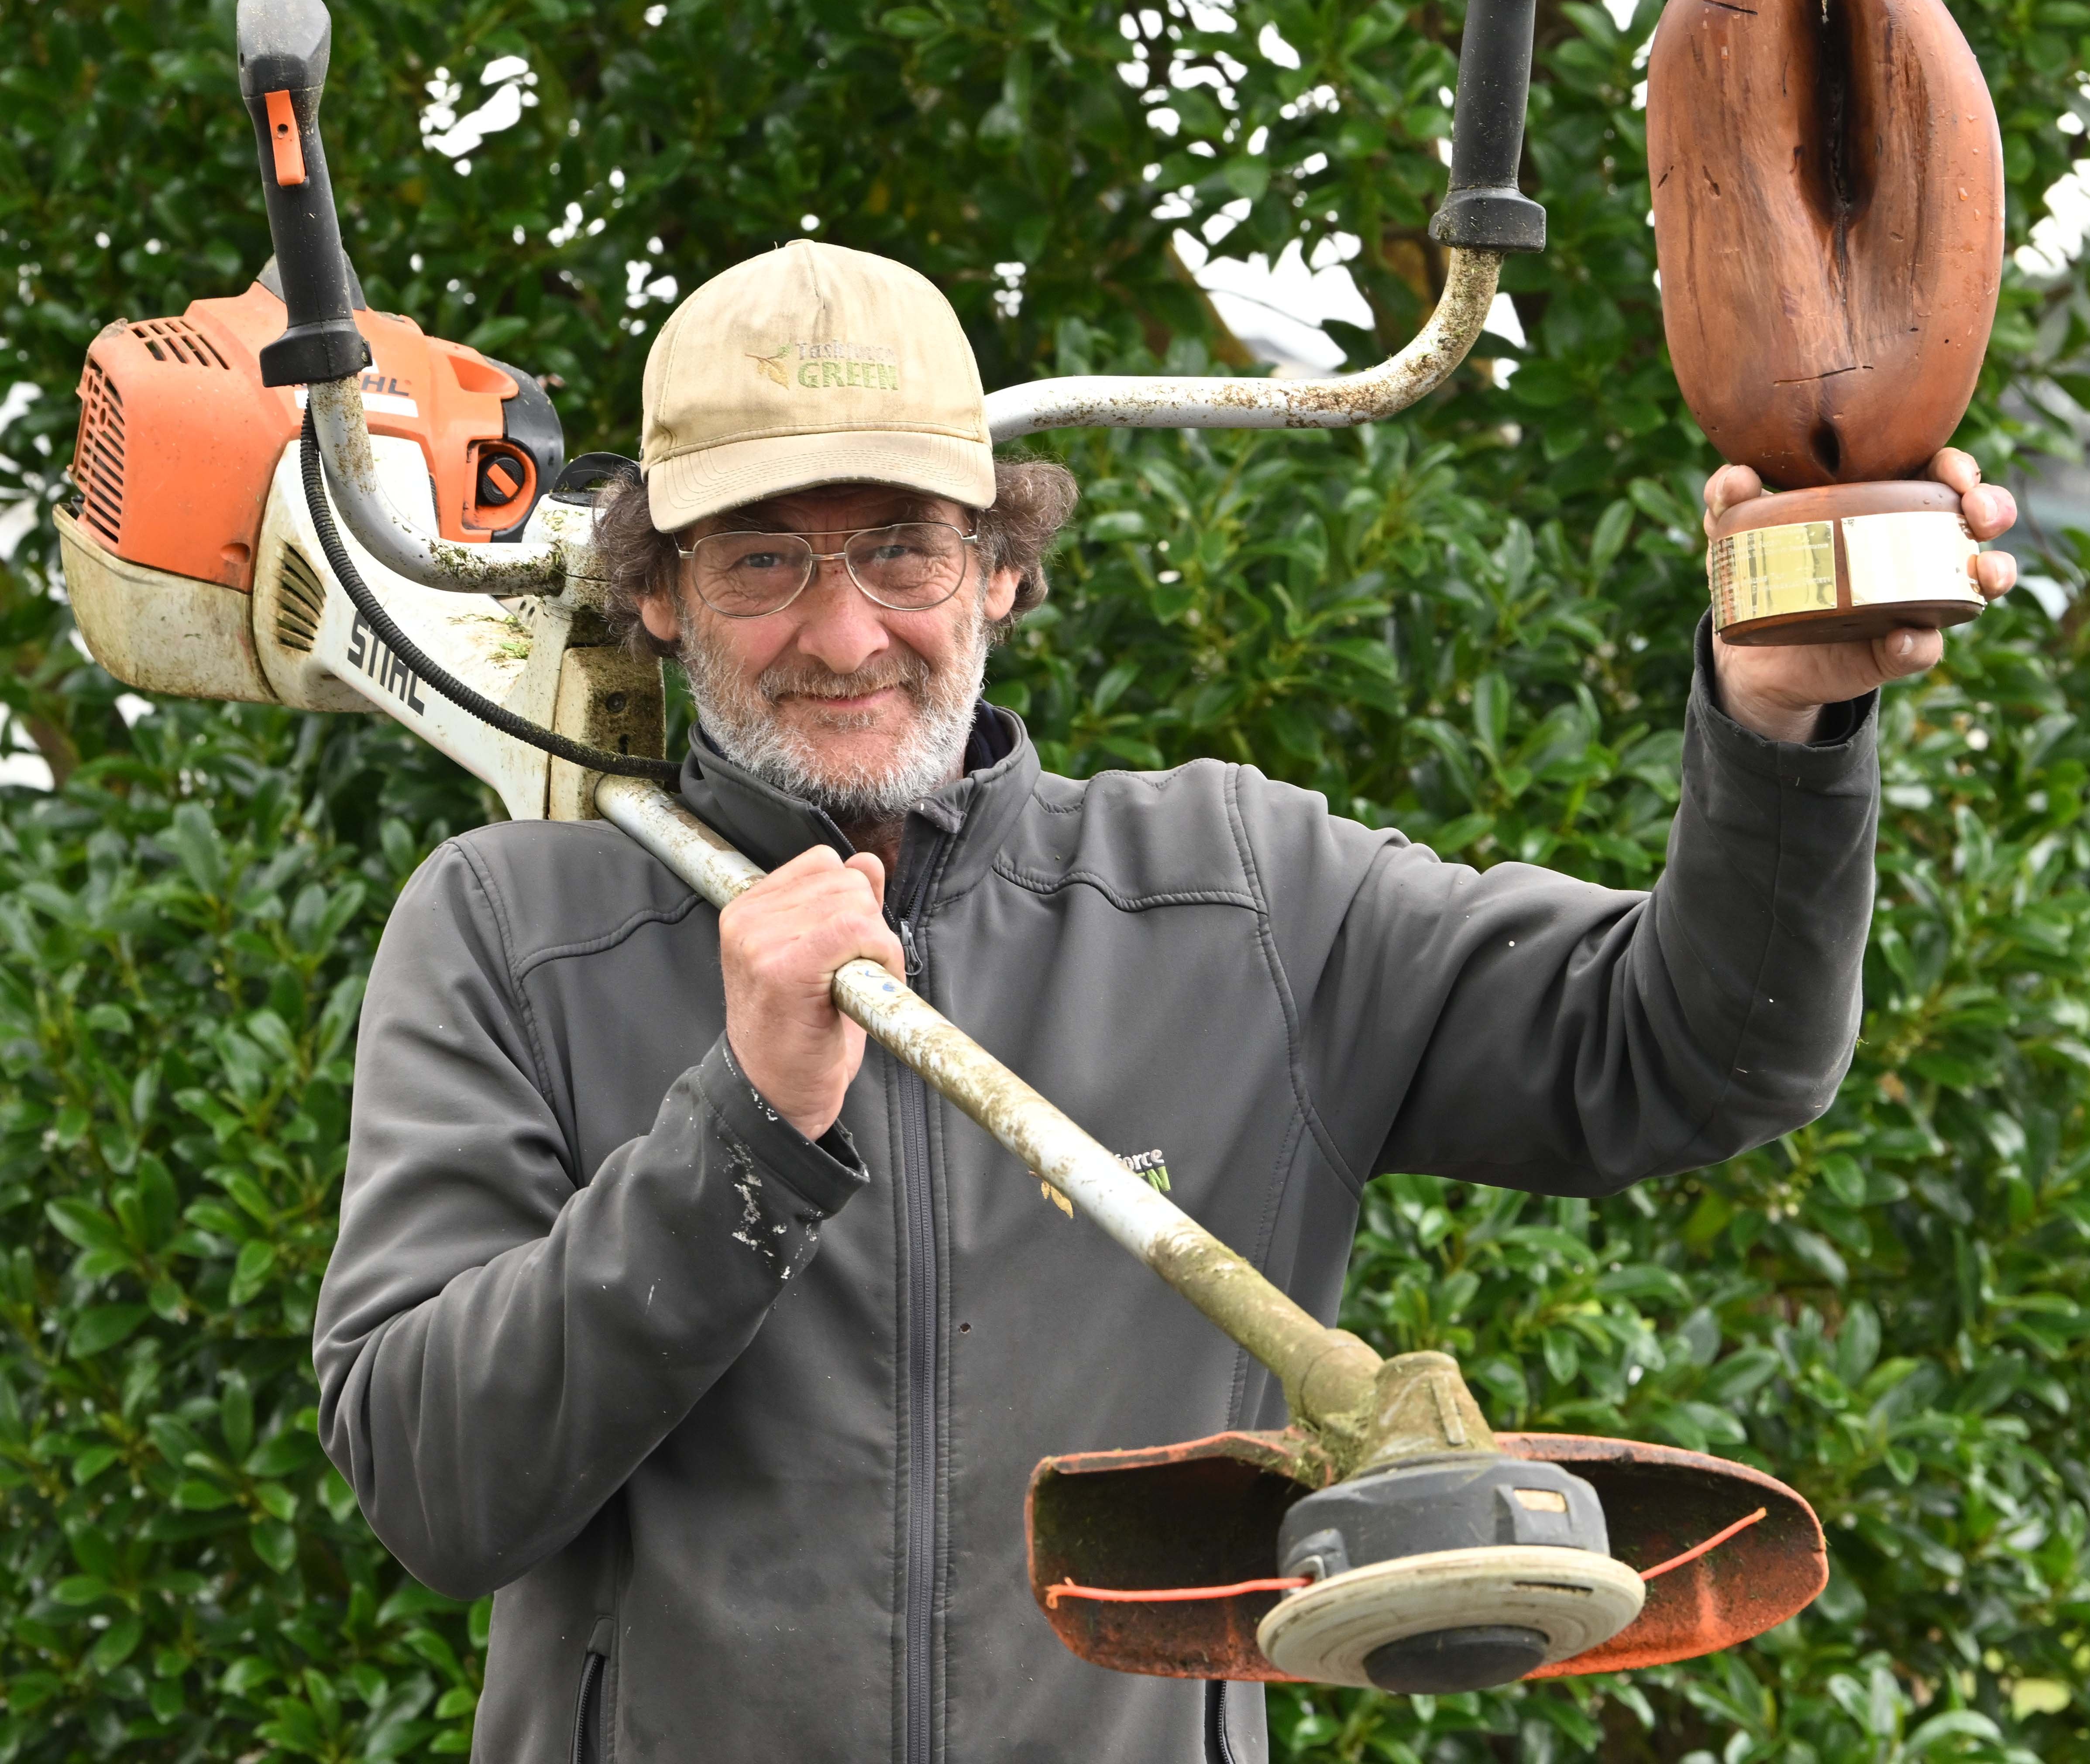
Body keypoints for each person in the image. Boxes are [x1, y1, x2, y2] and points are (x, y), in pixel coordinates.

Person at [313, 240, 2018, 1764]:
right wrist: (742, 1128)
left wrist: (1783, 722)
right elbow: (433, 1487)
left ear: (999, 569)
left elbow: (1696, 1055)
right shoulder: (510, 930)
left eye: (902, 549)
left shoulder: (1238, 894)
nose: (843, 632)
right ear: (660, 596)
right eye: (764, 562)